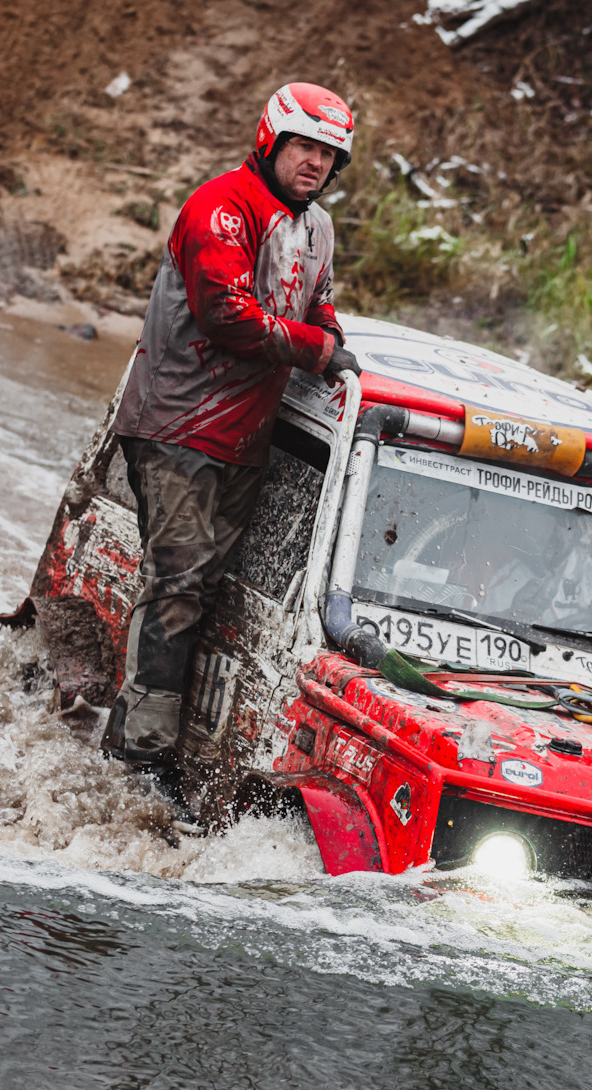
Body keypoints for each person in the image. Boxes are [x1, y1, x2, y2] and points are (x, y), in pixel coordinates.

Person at [101, 83, 363, 765]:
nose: (315, 163)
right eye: (304, 146)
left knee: (205, 592)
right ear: (270, 141)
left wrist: (327, 336)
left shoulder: (319, 228)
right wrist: (318, 351)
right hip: (176, 424)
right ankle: (142, 755)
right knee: (179, 583)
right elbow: (228, 317)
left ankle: (148, 736)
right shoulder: (220, 208)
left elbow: (321, 306)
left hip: (247, 434)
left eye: (328, 154)